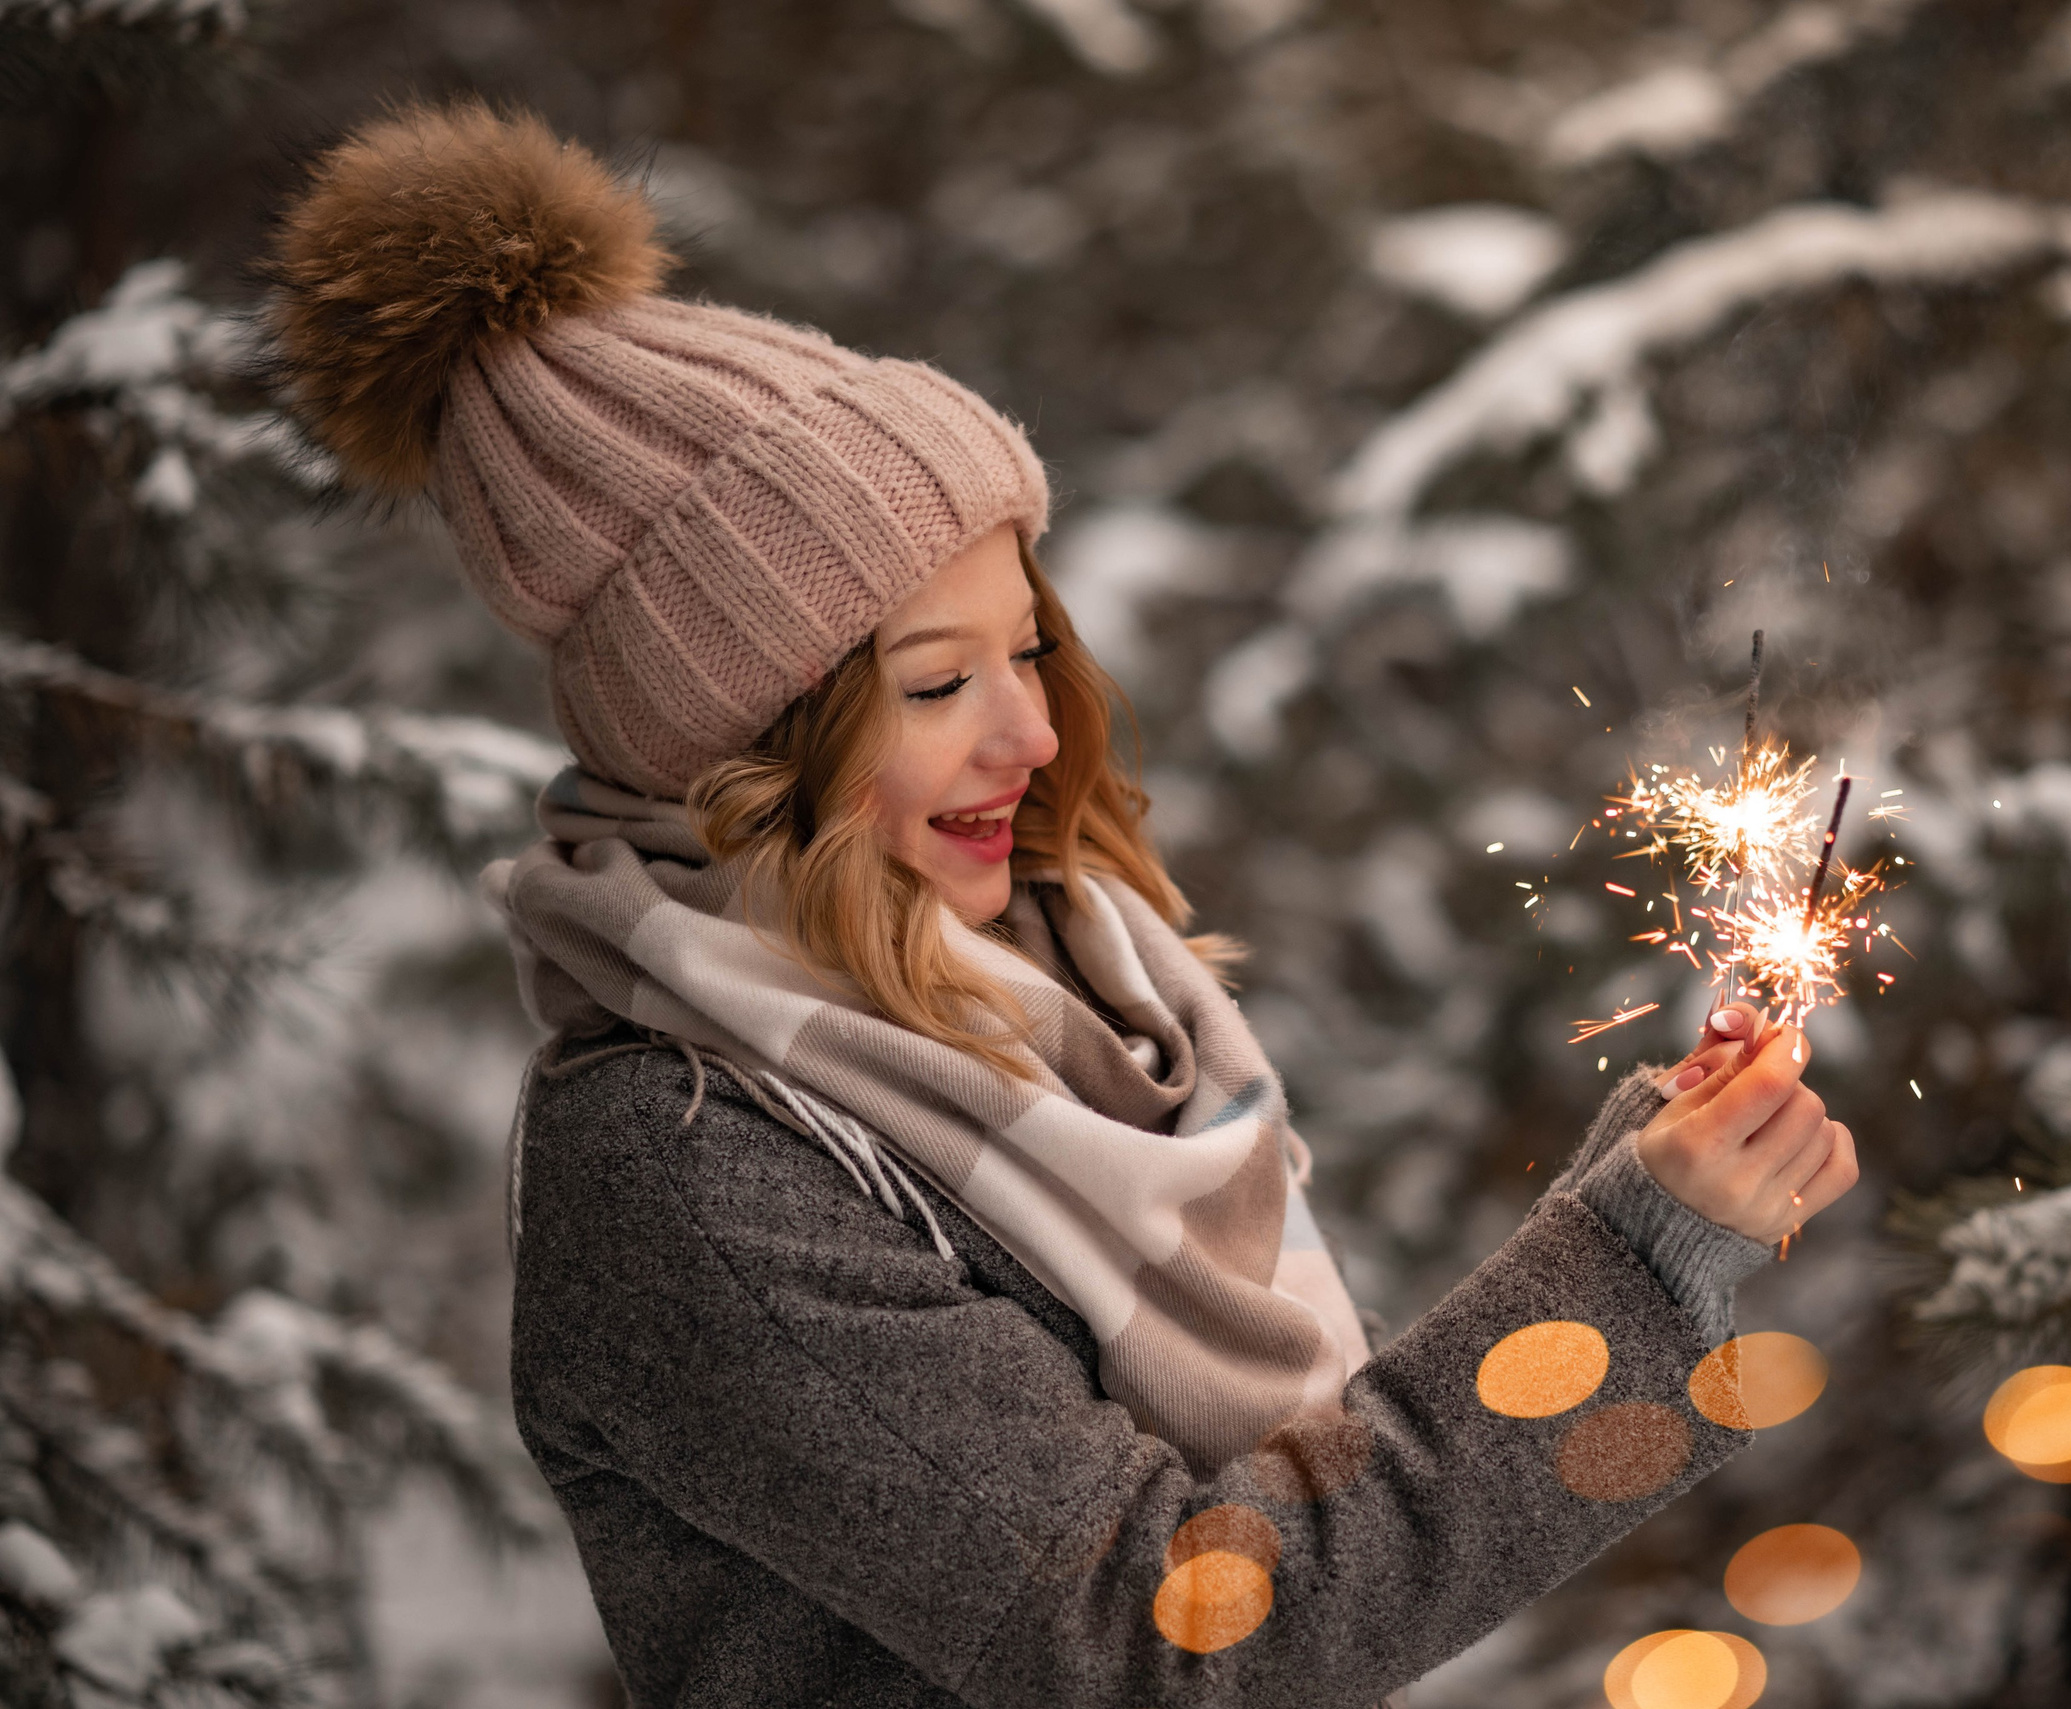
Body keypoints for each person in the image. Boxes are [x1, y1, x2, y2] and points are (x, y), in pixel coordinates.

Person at [267, 101, 1859, 1709]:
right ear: (749, 751)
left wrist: (1652, 1204)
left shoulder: (1085, 1009)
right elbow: (1169, 1638)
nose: (1030, 731)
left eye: (1023, 647)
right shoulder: (688, 1158)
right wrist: (1629, 1268)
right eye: (938, 679)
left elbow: (1325, 1513)